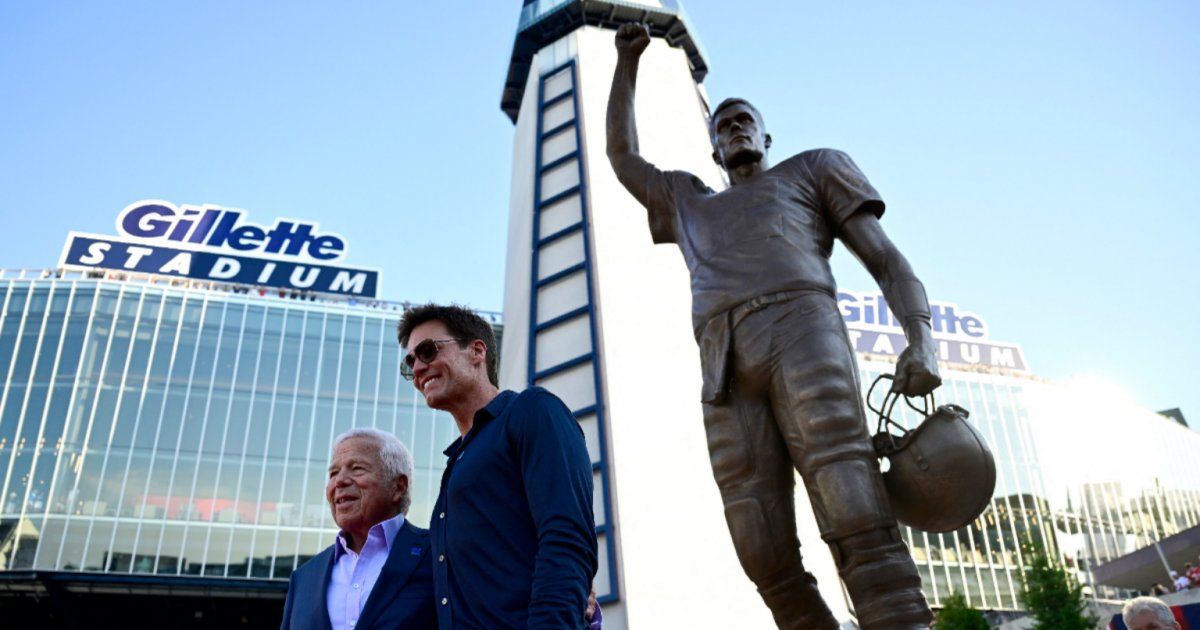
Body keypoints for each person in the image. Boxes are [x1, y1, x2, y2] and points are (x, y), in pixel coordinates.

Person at [606, 22, 941, 630]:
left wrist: (921, 336)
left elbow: (887, 260)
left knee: (854, 507)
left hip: (802, 330)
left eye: (743, 119)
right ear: (712, 149)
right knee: (759, 544)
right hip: (723, 361)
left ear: (765, 134)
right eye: (721, 124)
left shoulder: (811, 171)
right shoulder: (688, 201)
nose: (733, 127)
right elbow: (622, 158)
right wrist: (626, 62)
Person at [398, 303, 598, 629]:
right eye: (410, 362)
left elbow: (566, 539)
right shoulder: (456, 462)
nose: (418, 368)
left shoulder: (531, 411)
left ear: (477, 351)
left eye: (428, 351)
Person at [280, 428, 435, 629]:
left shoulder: (439, 555)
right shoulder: (304, 577)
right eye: (333, 473)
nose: (340, 481)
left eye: (357, 468)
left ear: (398, 486)